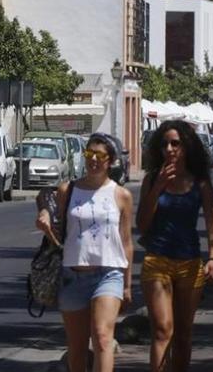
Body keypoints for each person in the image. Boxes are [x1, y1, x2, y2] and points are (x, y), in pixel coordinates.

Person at [36, 133, 134, 372]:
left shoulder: (121, 195)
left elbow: (126, 242)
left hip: (108, 275)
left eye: (100, 155)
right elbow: (57, 230)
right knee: (77, 347)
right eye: (89, 154)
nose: (93, 160)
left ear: (110, 161)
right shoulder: (68, 190)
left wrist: (128, 284)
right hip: (72, 275)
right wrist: (46, 218)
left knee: (102, 337)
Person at [138, 120, 213, 372]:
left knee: (183, 334)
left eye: (175, 143)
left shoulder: (200, 183)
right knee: (163, 330)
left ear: (186, 146)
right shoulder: (152, 179)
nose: (170, 149)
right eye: (164, 144)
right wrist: (158, 187)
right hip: (157, 261)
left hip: (189, 263)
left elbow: (212, 221)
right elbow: (142, 224)